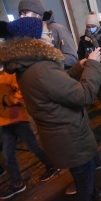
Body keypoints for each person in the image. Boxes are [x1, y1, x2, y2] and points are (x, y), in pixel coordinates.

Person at [0, 17, 101, 201]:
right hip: (71, 139)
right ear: (33, 41)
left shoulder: (29, 67)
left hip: (62, 137)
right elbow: (84, 95)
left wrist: (79, 68)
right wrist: (94, 65)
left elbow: (56, 86)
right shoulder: (41, 69)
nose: (51, 38)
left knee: (87, 180)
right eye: (47, 34)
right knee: (85, 186)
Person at [0, 63, 59, 199]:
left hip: (18, 119)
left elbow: (21, 93)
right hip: (4, 122)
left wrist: (7, 100)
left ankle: (51, 165)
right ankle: (17, 184)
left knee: (33, 147)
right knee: (7, 154)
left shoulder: (9, 74)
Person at [18, 0, 78, 70]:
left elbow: (72, 58)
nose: (22, 16)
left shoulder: (57, 29)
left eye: (25, 12)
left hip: (62, 77)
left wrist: (47, 57)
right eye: (20, 14)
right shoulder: (29, 34)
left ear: (37, 12)